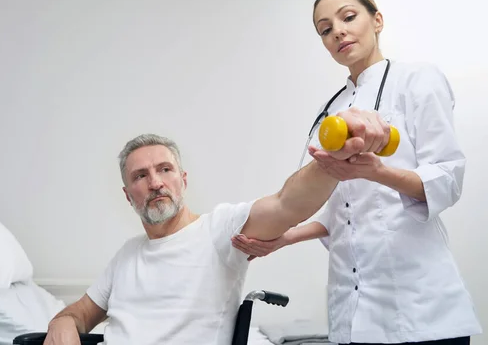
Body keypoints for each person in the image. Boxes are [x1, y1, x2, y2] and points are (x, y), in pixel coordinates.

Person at [231, 0, 482, 345]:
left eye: (348, 17)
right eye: (325, 29)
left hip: (420, 306)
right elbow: (338, 208)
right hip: (352, 308)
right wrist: (285, 238)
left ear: (377, 20)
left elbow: (447, 178)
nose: (339, 32)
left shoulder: (418, 80)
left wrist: (378, 172)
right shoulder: (329, 112)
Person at [43, 116, 391, 345]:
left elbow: (287, 204)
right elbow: (82, 313)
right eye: (140, 176)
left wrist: (330, 164)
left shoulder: (217, 231)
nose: (155, 183)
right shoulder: (127, 255)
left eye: (164, 170)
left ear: (182, 179)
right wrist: (63, 321)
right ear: (127, 194)